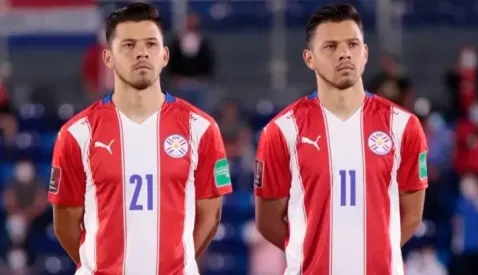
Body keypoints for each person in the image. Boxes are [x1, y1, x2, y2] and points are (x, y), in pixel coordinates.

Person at [47, 3, 232, 275]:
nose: (142, 52)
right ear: (108, 58)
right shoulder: (77, 133)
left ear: (165, 55)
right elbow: (65, 222)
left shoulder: (201, 128)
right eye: (129, 45)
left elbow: (210, 214)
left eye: (151, 44)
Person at [254, 4, 427, 275]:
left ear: (365, 53)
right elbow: (267, 221)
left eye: (352, 44)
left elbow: (412, 215)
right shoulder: (281, 131)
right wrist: (315, 251)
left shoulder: (404, 126)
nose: (344, 53)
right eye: (331, 46)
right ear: (309, 58)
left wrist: (370, 254)